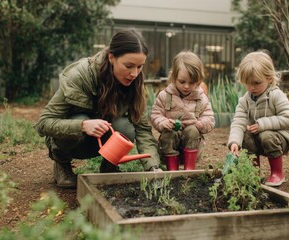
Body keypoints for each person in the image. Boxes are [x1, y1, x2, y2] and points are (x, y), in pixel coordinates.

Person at [36, 28, 161, 189]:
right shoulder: (80, 76)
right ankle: (62, 165)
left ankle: (108, 168)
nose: (134, 73)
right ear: (111, 57)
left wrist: (153, 167)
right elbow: (43, 123)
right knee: (80, 119)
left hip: (101, 141)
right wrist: (82, 126)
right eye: (129, 66)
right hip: (71, 141)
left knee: (126, 128)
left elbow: (142, 130)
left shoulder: (134, 82)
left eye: (140, 67)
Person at [227, 50, 289, 186]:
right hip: (258, 137)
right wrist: (235, 142)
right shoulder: (245, 100)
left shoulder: (276, 95)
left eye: (256, 83)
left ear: (269, 78)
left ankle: (277, 174)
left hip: (281, 137)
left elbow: (287, 117)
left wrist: (262, 124)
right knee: (245, 135)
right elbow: (238, 122)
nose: (251, 87)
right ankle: (253, 173)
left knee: (266, 135)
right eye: (247, 83)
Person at [150, 51, 215, 170]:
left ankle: (189, 167)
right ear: (173, 77)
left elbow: (209, 118)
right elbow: (155, 114)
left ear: (199, 81)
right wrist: (163, 122)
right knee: (169, 133)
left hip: (192, 146)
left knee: (192, 130)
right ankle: (172, 168)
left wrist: (199, 124)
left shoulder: (201, 98)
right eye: (182, 82)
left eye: (192, 83)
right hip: (168, 146)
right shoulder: (165, 96)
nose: (186, 86)